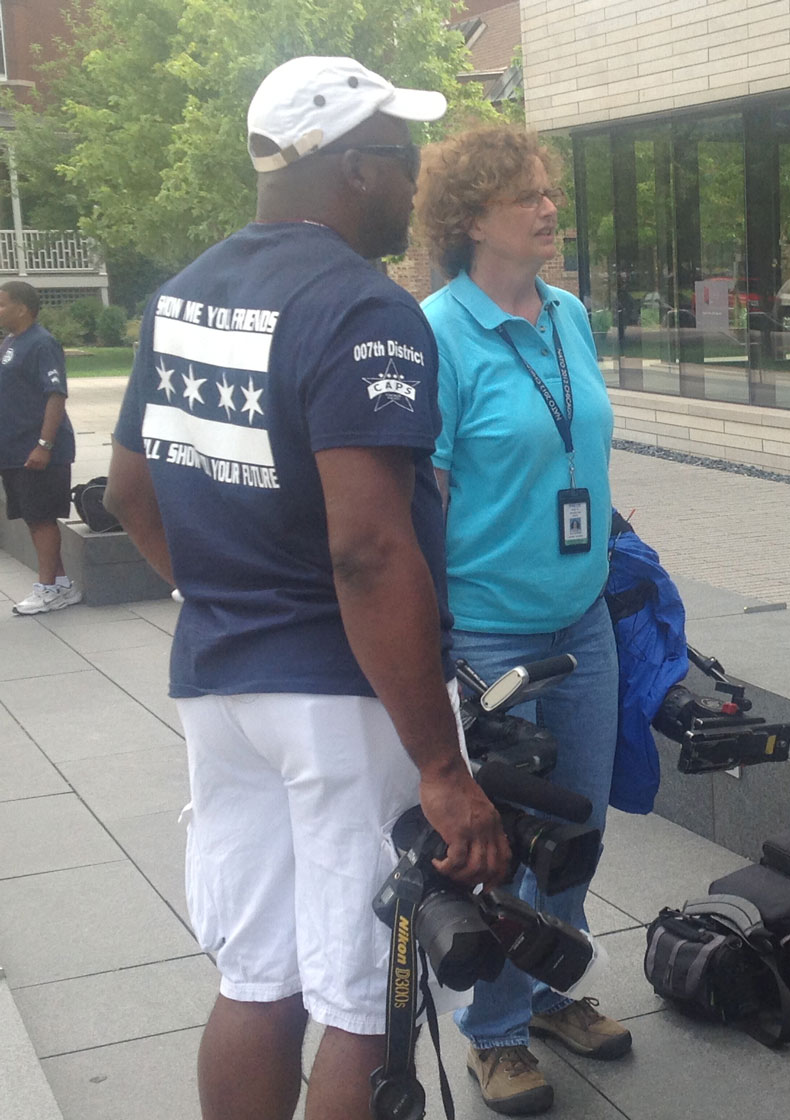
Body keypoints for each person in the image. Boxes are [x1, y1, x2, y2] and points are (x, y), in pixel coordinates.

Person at [104, 57, 508, 1120]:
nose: (414, 180)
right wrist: (441, 767)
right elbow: (368, 550)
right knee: (366, 996)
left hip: (223, 685)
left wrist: (229, 601)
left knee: (257, 976)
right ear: (353, 168)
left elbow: (129, 491)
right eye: (402, 156)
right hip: (344, 695)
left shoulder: (182, 294)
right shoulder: (364, 308)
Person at [415, 124, 624, 1116]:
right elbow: (429, 494)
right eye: (526, 196)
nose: (549, 208)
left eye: (549, 191)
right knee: (503, 844)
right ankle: (494, 1032)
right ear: (470, 219)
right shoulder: (439, 331)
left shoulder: (568, 313)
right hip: (491, 634)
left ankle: (549, 988)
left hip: (583, 620)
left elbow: (577, 446)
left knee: (577, 828)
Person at [1, 280, 81, 615]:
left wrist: (44, 444)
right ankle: (61, 584)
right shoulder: (10, 342)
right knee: (33, 520)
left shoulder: (42, 343)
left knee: (42, 518)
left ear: (22, 308)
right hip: (14, 450)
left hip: (39, 451)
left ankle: (47, 588)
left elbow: (55, 395)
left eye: (2, 304)